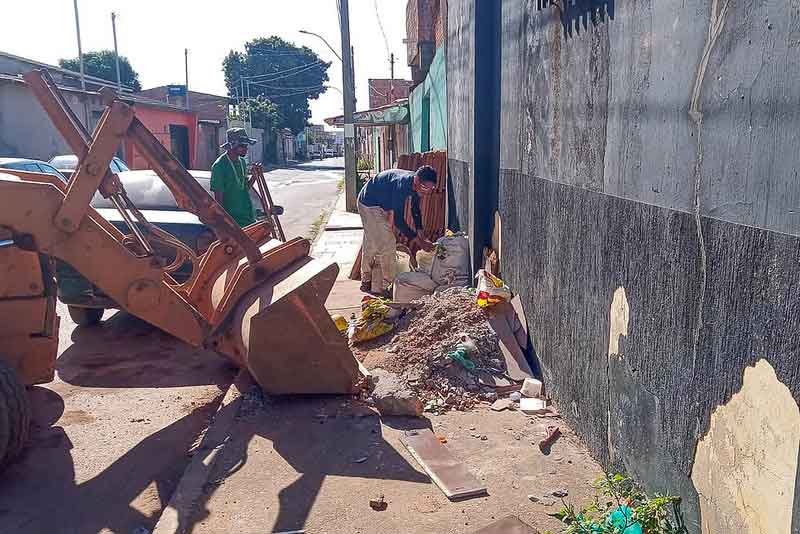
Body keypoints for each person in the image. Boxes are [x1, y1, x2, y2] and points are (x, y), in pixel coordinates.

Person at [357, 165, 437, 295]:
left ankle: (366, 281)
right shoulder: (402, 184)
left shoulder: (417, 185)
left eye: (431, 188)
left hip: (379, 204)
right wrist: (419, 241)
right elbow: (399, 221)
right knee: (388, 243)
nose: (427, 191)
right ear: (416, 180)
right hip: (369, 204)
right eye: (425, 187)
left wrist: (422, 235)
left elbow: (415, 210)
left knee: (371, 242)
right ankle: (387, 286)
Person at [211, 128, 259, 227]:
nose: (246, 148)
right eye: (242, 146)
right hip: (233, 222)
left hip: (248, 218)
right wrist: (225, 224)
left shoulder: (242, 162)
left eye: (246, 145)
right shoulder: (219, 166)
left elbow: (244, 189)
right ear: (233, 145)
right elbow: (218, 200)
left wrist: (254, 177)